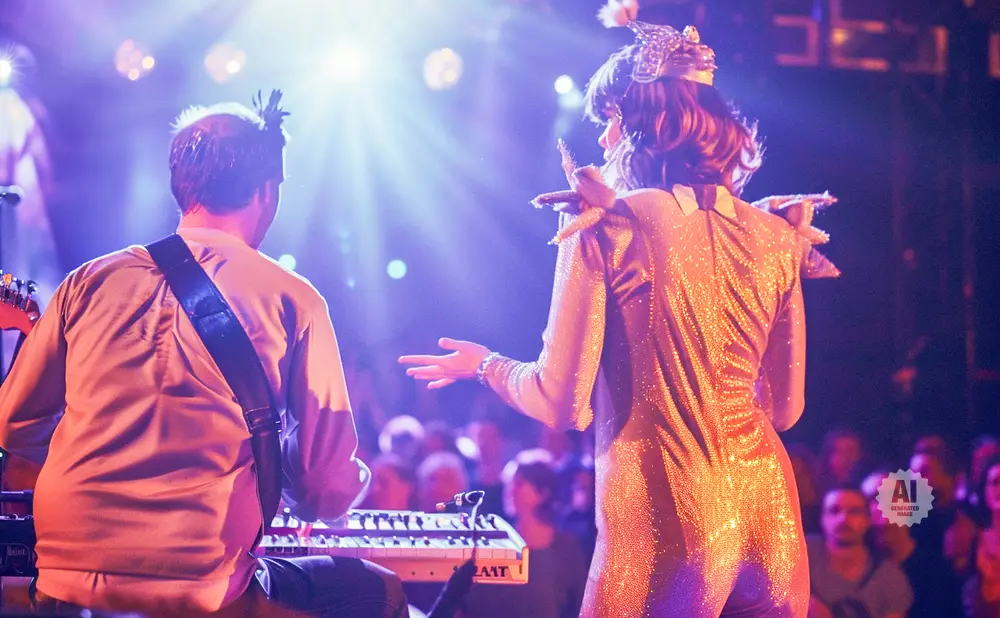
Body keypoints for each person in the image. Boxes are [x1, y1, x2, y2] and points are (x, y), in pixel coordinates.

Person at [399, 1, 839, 615]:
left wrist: (486, 366)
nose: (602, 140)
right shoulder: (778, 236)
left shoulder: (612, 222)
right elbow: (786, 409)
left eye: (608, 120)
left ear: (642, 125)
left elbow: (561, 402)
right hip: (770, 512)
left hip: (668, 511)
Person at [0, 91, 407, 617]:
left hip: (64, 574)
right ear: (268, 190)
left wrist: (97, 451)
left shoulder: (88, 282)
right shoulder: (293, 300)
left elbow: (12, 425)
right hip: (202, 585)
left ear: (181, 187)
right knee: (381, 592)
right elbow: (325, 487)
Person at [460, 449, 587, 618]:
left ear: (543, 492)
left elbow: (577, 603)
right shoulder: (495, 543)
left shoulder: (566, 549)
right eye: (509, 484)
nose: (511, 490)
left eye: (519, 484)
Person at [807, 486, 912, 618]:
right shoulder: (803, 553)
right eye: (834, 511)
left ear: (869, 520)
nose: (843, 519)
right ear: (822, 518)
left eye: (854, 512)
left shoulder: (890, 576)